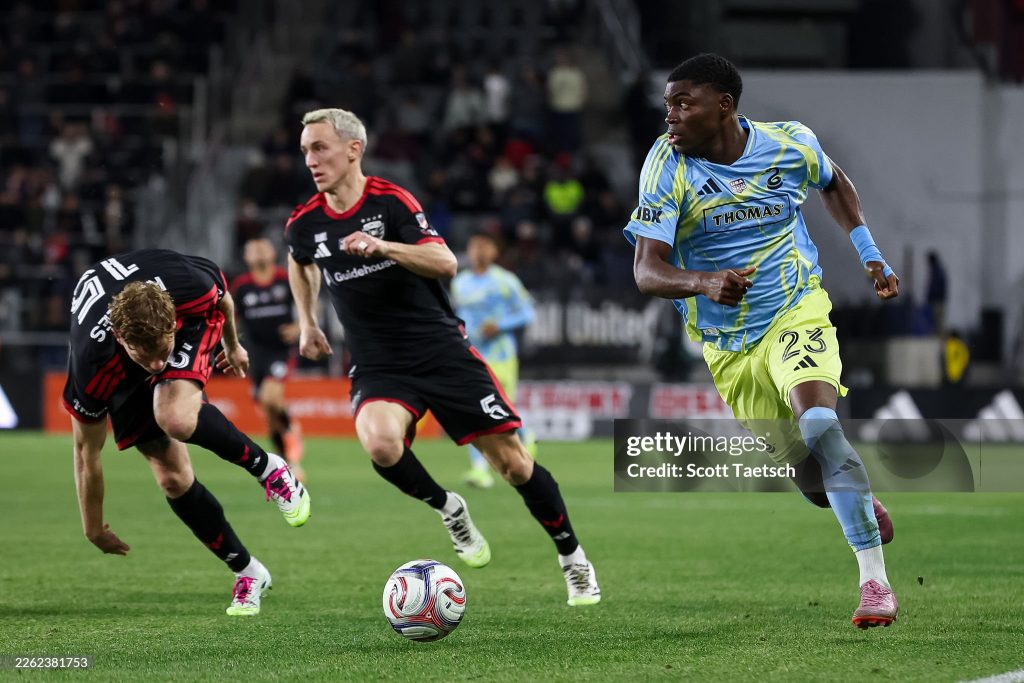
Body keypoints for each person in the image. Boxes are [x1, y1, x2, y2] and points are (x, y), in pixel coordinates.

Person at [625, 54, 900, 628]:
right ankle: (854, 500)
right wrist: (702, 281)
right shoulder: (666, 166)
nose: (669, 117)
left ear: (723, 106)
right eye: (667, 105)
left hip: (794, 306)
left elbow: (834, 182)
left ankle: (874, 583)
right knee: (811, 478)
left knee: (821, 424)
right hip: (729, 345)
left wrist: (870, 255)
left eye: (683, 104)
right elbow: (647, 271)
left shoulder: (790, 144)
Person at [286, 108, 600, 606]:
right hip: (378, 363)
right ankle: (448, 506)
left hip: (440, 352)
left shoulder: (391, 202)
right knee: (381, 445)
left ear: (353, 149)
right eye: (305, 149)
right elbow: (300, 262)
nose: (310, 159)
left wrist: (383, 247)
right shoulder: (305, 222)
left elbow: (444, 262)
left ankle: (572, 558)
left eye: (319, 147)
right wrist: (307, 321)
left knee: (515, 466)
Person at [64, 249, 311, 616]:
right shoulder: (91, 362)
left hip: (193, 327)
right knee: (173, 479)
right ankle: (248, 572)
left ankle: (270, 469)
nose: (157, 365)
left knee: (174, 417)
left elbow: (223, 298)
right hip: (120, 370)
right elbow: (86, 454)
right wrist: (92, 527)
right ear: (120, 336)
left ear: (172, 322)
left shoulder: (187, 287)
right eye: (144, 355)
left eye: (162, 350)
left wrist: (233, 344)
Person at [450, 231, 536, 489]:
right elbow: (460, 314)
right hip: (471, 355)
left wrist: (499, 325)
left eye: (484, 245)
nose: (478, 250)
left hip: (500, 356)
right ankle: (479, 470)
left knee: (500, 412)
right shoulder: (460, 282)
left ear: (494, 252)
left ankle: (525, 433)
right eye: (474, 245)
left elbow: (527, 312)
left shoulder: (505, 280)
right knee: (477, 413)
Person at [231, 238, 306, 481]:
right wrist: (232, 345)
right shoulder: (242, 286)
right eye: (253, 249)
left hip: (281, 349)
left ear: (273, 252)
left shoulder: (285, 280)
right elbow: (230, 319)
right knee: (269, 409)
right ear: (246, 257)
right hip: (255, 353)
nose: (259, 252)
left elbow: (309, 304)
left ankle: (291, 459)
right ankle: (285, 452)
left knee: (270, 397)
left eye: (263, 247)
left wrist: (300, 326)